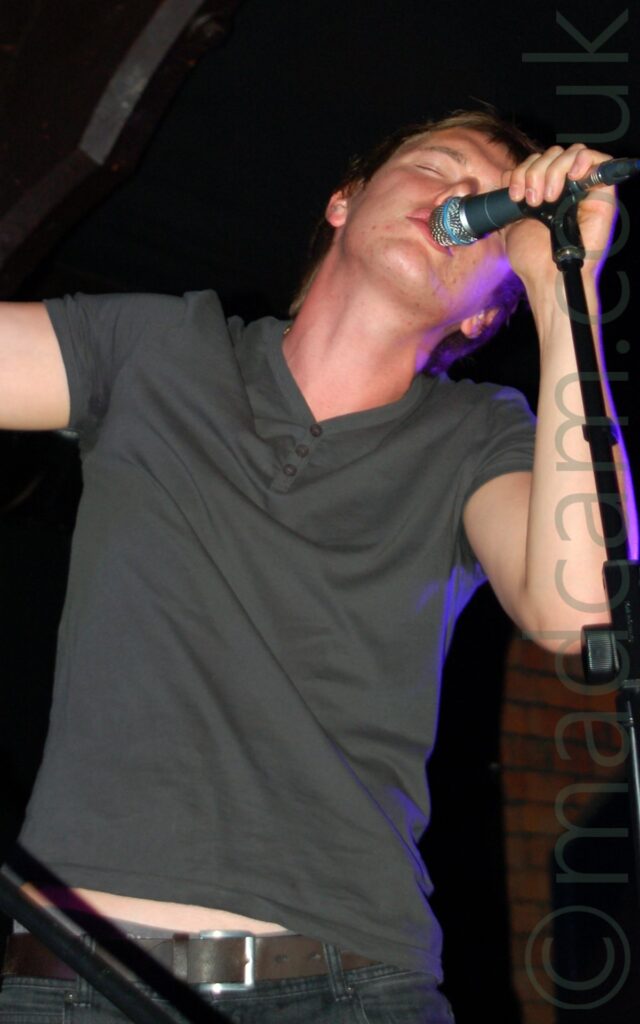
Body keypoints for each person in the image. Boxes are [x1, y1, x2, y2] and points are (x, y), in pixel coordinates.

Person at [0, 109, 636, 1023]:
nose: (463, 195)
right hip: (75, 980)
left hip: (348, 987)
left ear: (485, 310)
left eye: (492, 205)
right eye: (436, 166)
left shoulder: (478, 436)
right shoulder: (154, 349)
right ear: (345, 201)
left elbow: (579, 608)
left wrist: (561, 281)